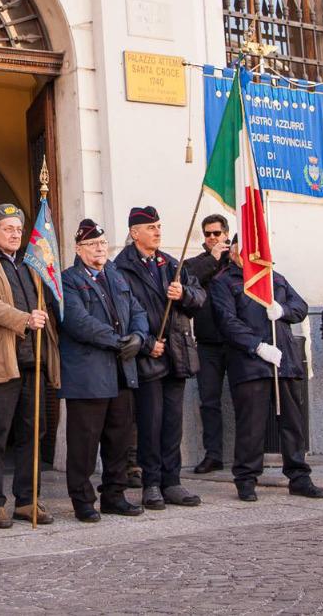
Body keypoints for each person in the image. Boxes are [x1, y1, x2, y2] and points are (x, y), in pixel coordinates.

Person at [0, 203, 60, 528]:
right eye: (8, 229)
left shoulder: (32, 267)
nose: (15, 234)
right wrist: (25, 319)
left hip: (33, 361)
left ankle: (28, 500)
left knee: (33, 433)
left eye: (19, 229)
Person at [111, 205, 206, 510]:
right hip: (148, 354)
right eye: (151, 227)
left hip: (176, 352)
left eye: (159, 227)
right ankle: (151, 483)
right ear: (134, 232)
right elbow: (122, 313)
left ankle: (172, 481)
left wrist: (185, 294)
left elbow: (199, 297)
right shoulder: (121, 267)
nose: (157, 232)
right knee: (150, 423)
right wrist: (147, 343)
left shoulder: (170, 264)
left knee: (172, 423)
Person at [209, 262, 323, 502]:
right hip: (251, 362)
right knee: (251, 426)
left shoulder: (276, 277)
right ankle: (246, 478)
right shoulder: (224, 281)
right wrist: (257, 346)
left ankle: (299, 476)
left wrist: (282, 310)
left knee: (293, 423)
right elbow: (227, 321)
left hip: (283, 359)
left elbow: (300, 306)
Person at [59, 219, 147, 522]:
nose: (99, 249)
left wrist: (139, 337)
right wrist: (118, 341)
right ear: (78, 248)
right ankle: (82, 500)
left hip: (122, 370)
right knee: (84, 443)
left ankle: (114, 495)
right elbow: (77, 321)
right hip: (88, 374)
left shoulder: (115, 275)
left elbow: (138, 311)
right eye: (93, 244)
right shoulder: (68, 280)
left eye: (102, 243)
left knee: (119, 440)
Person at [184, 213, 231, 475]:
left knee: (245, 400)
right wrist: (213, 259)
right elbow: (188, 279)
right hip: (208, 343)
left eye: (216, 233)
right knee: (209, 401)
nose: (212, 238)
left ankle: (248, 454)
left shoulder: (236, 258)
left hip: (236, 342)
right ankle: (213, 454)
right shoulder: (197, 262)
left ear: (226, 233)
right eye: (207, 234)